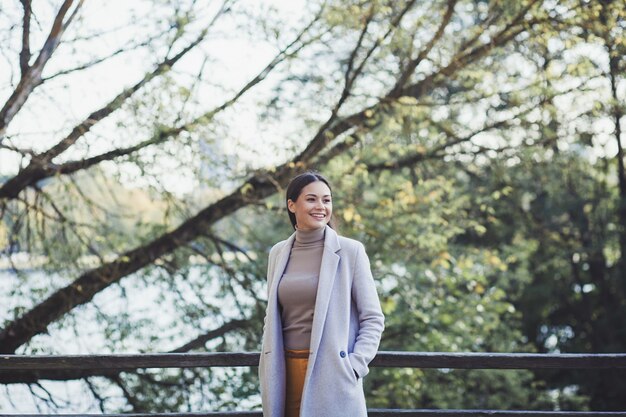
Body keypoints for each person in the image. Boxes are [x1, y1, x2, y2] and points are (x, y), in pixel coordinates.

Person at [258, 170, 385, 417]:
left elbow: (373, 318)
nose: (321, 206)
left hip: (331, 374)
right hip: (282, 373)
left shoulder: (351, 251)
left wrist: (353, 366)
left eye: (326, 200)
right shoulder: (278, 253)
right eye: (312, 199)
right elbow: (271, 316)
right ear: (292, 205)